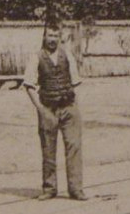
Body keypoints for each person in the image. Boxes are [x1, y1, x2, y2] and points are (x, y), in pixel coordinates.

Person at [22, 29, 86, 201]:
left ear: (60, 38)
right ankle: (50, 188)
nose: (52, 39)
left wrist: (75, 108)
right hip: (48, 108)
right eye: (49, 36)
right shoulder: (36, 57)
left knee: (74, 147)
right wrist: (40, 110)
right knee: (48, 149)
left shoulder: (67, 56)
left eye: (56, 36)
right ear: (44, 37)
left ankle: (76, 189)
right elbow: (28, 85)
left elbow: (76, 82)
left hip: (68, 107)